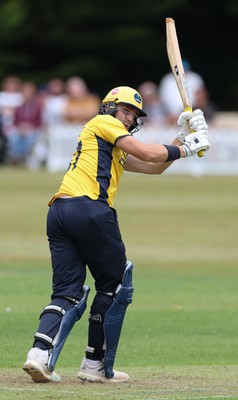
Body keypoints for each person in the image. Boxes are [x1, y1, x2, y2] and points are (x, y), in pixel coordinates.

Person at [23, 86, 210, 384]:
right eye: (125, 111)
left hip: (59, 212)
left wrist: (182, 135)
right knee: (116, 285)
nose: (128, 118)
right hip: (89, 209)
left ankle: (39, 355)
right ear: (109, 108)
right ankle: (94, 365)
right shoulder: (103, 123)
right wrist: (188, 148)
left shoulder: (110, 143)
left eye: (133, 115)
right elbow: (149, 151)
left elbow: (154, 166)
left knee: (66, 291)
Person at [158, 60, 205, 125]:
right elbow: (162, 98)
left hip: (191, 113)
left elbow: (200, 97)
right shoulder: (167, 79)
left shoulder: (194, 78)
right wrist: (171, 114)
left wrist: (185, 113)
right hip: (169, 115)